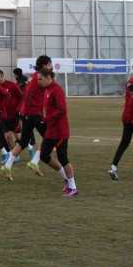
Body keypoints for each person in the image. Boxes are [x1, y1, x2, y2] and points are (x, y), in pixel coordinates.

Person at [2, 55, 53, 180]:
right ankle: (34, 161)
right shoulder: (41, 78)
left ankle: (7, 165)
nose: (51, 66)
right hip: (35, 113)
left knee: (23, 142)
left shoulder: (34, 77)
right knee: (49, 137)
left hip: (26, 114)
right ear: (45, 65)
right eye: (50, 64)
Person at [36, 69, 78, 197]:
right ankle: (66, 178)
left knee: (63, 157)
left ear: (48, 77)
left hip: (60, 131)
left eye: (40, 79)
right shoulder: (47, 90)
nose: (38, 81)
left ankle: (73, 187)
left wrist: (48, 118)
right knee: (43, 155)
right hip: (51, 130)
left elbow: (62, 109)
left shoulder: (57, 90)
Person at [0, 69, 23, 149]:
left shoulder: (12, 85)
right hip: (4, 115)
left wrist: (19, 108)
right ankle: (14, 155)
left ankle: (29, 145)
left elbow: (22, 97)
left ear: (2, 76)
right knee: (8, 136)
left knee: (17, 135)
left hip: (14, 115)